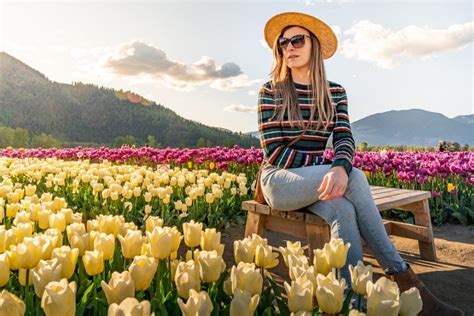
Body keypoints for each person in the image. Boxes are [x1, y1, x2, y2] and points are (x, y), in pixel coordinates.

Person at [257, 11, 463, 315]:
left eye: (297, 39)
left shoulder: (335, 92)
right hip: (280, 181)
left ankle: (351, 301)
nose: (289, 47)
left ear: (314, 45)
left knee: (343, 208)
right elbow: (274, 152)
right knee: (354, 178)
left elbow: (344, 138)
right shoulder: (270, 91)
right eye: (283, 43)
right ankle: (404, 279)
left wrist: (339, 165)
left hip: (318, 180)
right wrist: (333, 170)